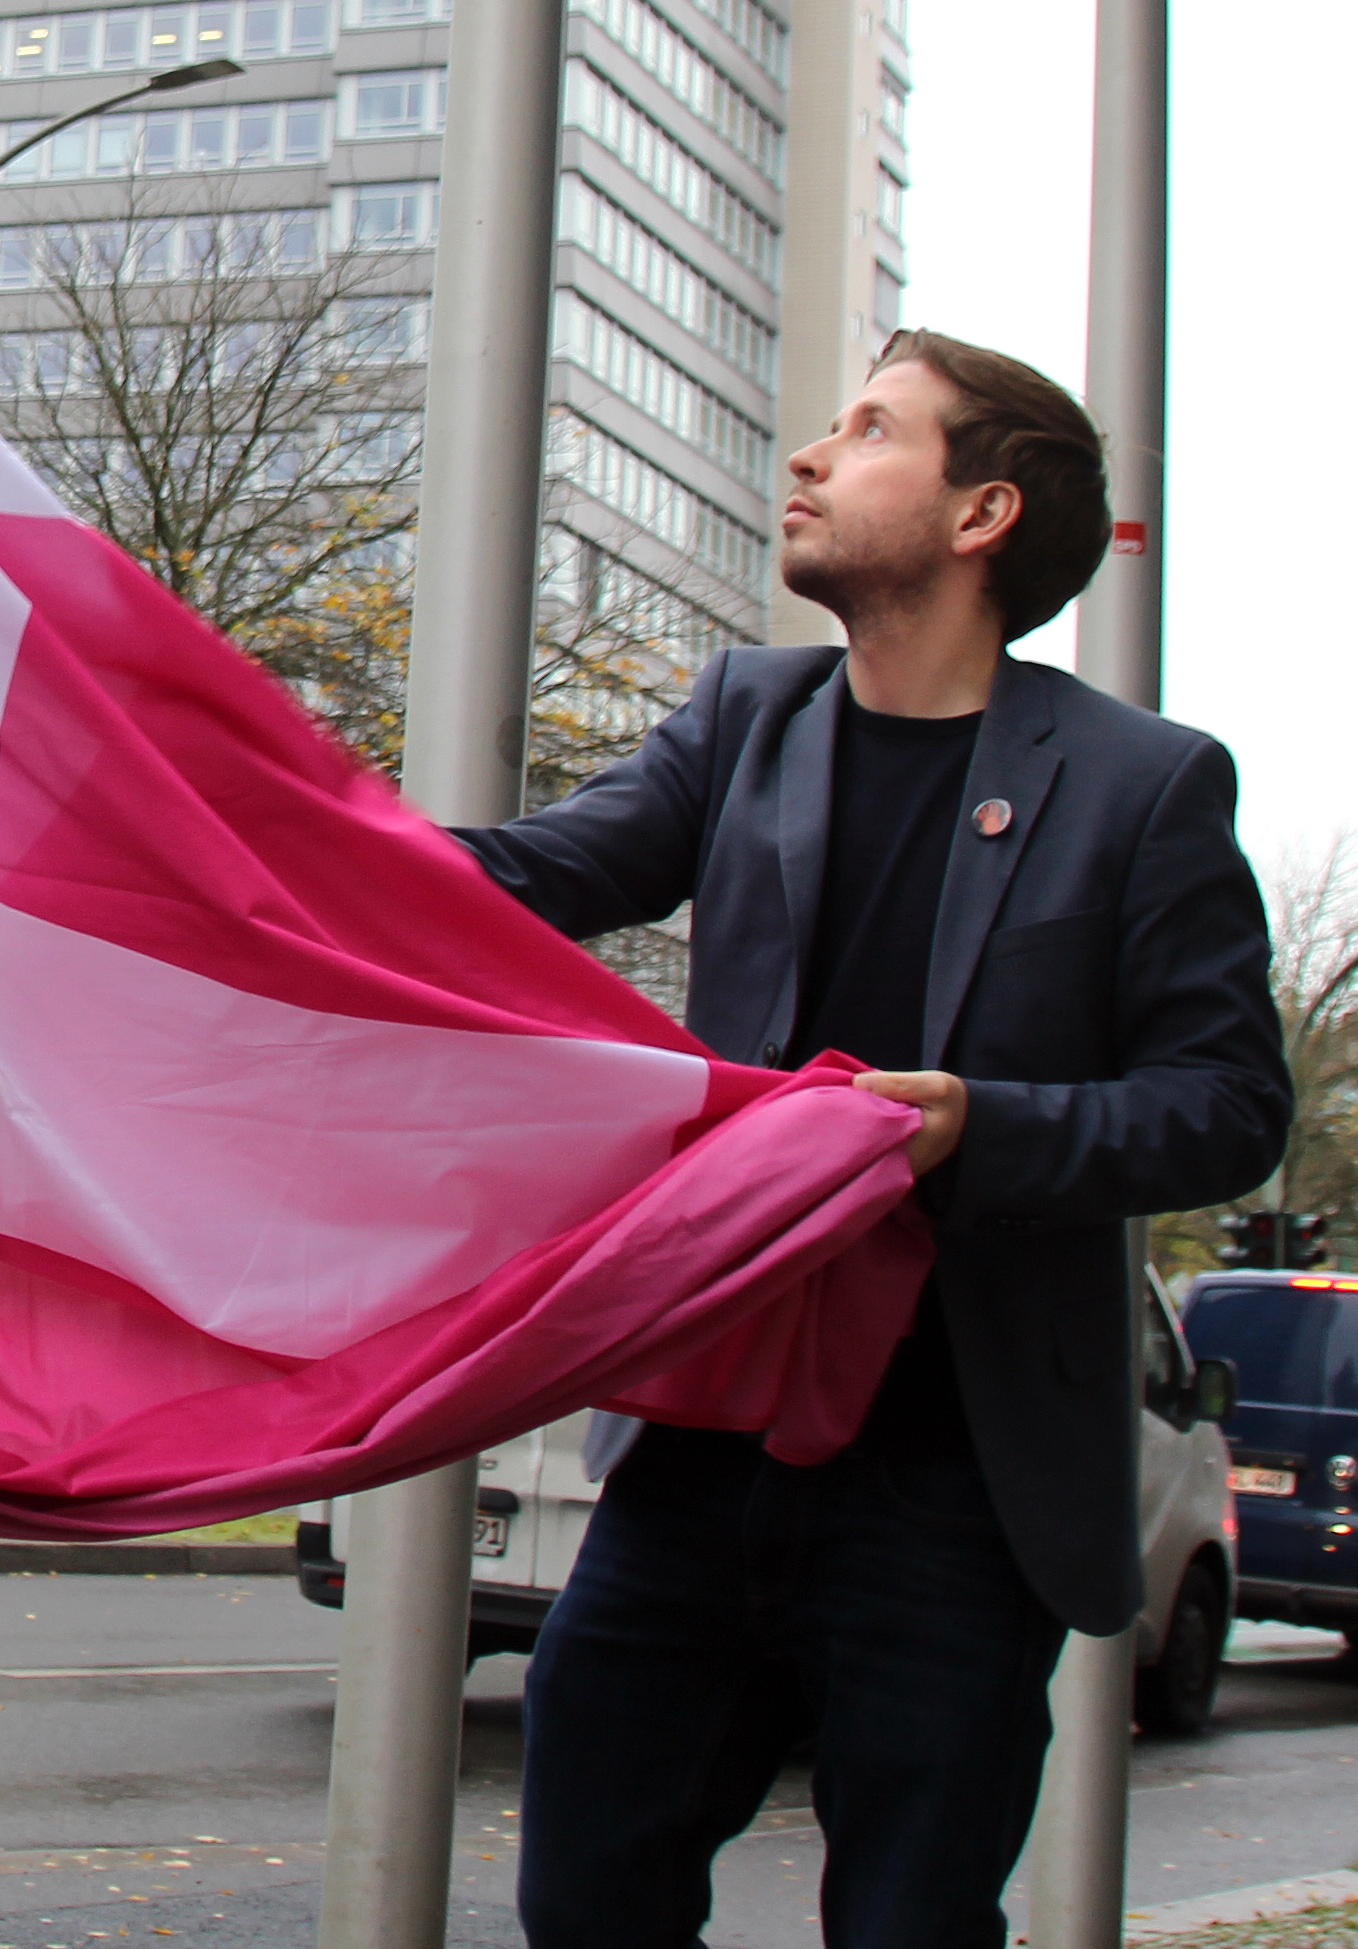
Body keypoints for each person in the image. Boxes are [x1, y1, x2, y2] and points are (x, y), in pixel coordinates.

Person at [458, 330, 1290, 1946]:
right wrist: (238, 821)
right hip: (698, 1445)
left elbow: (1227, 1107)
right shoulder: (745, 714)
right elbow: (524, 876)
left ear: (980, 514)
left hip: (955, 1486)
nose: (808, 455)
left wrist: (978, 1128)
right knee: (583, 1894)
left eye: (867, 429)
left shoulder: (1143, 785)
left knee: (910, 1921)